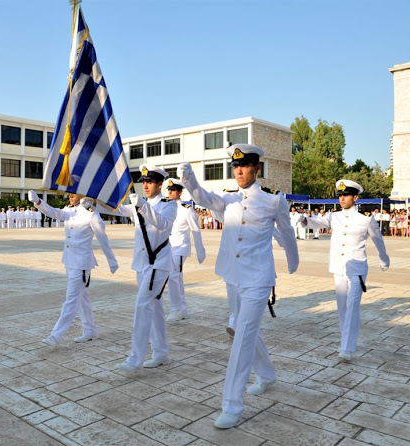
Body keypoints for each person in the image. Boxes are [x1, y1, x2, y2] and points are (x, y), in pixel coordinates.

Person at [178, 143, 299, 429]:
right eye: (235, 166)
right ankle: (267, 375)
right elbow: (204, 198)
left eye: (244, 166)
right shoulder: (229, 199)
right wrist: (189, 180)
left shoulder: (273, 201)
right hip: (232, 276)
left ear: (257, 168)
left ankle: (232, 405)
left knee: (242, 336)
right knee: (247, 331)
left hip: (258, 279)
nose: (239, 171)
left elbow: (286, 232)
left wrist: (293, 261)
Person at [95, 164, 177, 372]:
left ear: (160, 184)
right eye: (144, 182)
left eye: (150, 182)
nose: (146, 186)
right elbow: (115, 208)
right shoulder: (139, 204)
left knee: (142, 307)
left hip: (158, 264)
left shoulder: (168, 205)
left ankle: (135, 359)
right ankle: (161, 353)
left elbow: (162, 224)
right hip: (142, 264)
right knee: (155, 308)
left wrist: (142, 206)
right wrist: (95, 202)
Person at [300, 179, 389, 361]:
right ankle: (345, 336)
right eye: (340, 195)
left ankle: (347, 347)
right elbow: (316, 222)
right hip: (338, 267)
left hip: (357, 268)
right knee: (342, 305)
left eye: (345, 195)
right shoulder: (334, 216)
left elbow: (378, 240)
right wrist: (303, 219)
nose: (341, 198)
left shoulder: (366, 219)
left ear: (355, 197)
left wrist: (383, 260)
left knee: (353, 305)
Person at [29, 190, 119, 345]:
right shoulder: (70, 211)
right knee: (82, 299)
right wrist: (38, 202)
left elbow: (103, 238)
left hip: (82, 264)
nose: (69, 197)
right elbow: (54, 212)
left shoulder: (91, 215)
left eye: (73, 194)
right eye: (69, 194)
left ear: (83, 195)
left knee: (71, 300)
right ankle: (90, 329)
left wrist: (112, 261)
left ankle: (56, 335)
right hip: (70, 261)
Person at [165, 178, 206, 322]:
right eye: (168, 190)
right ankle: (182, 308)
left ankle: (175, 309)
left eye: (173, 190)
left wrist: (200, 251)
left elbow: (195, 231)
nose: (170, 192)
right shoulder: (166, 207)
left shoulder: (186, 210)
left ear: (180, 192)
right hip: (168, 247)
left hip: (180, 247)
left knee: (173, 277)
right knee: (176, 278)